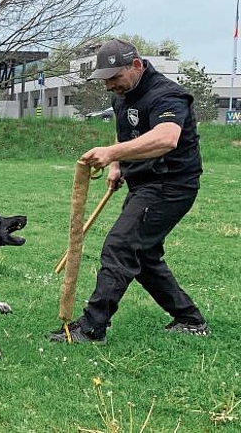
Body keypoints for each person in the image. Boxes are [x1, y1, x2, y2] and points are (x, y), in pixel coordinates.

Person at [49, 38, 208, 344]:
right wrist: (117, 164)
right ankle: (189, 318)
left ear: (136, 66)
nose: (109, 86)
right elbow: (128, 130)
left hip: (171, 184)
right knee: (143, 255)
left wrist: (111, 152)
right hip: (144, 183)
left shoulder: (167, 96)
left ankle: (92, 328)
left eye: (114, 78)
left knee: (120, 247)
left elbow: (166, 138)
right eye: (105, 80)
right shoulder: (124, 93)